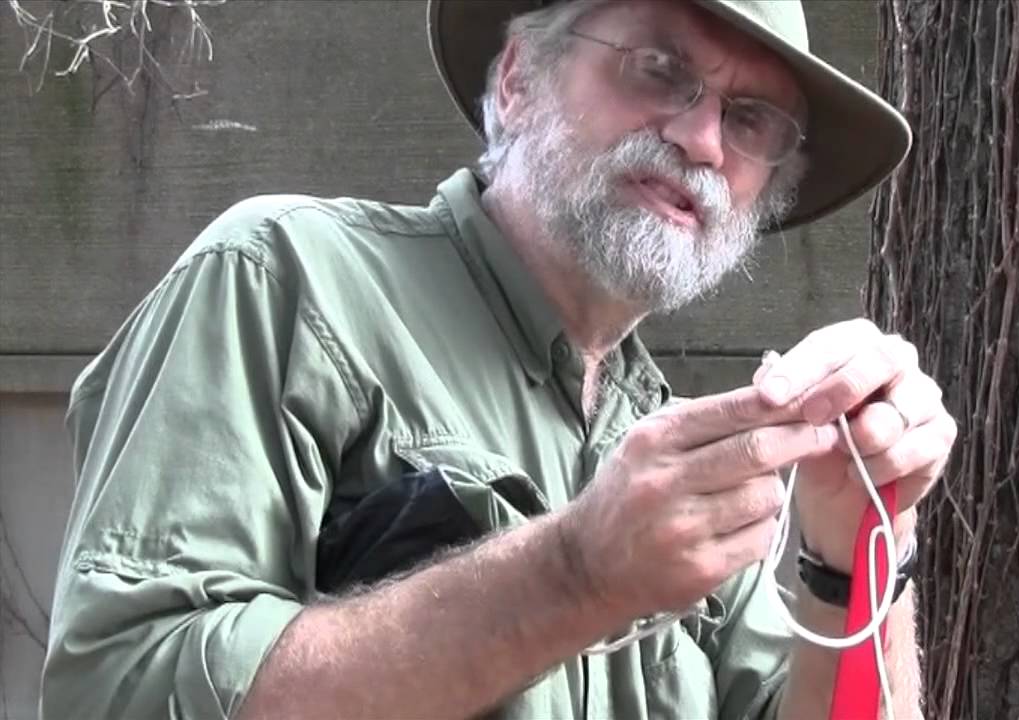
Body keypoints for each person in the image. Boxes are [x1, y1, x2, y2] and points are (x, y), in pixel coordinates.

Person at [40, 0, 956, 718]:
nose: (703, 139)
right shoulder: (289, 280)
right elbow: (117, 689)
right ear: (518, 79)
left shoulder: (690, 460)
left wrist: (862, 549)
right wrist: (573, 573)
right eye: (659, 69)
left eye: (751, 120)